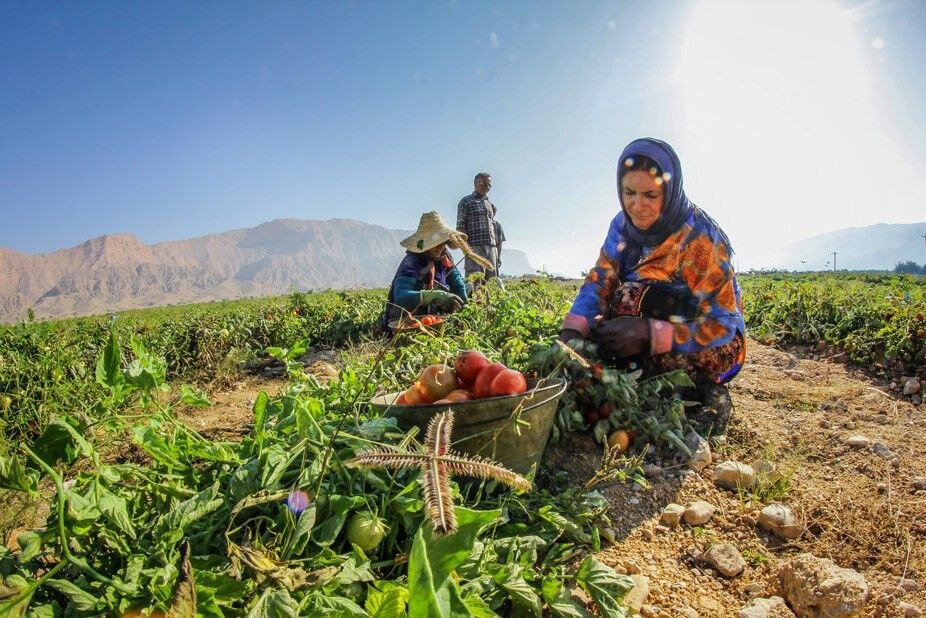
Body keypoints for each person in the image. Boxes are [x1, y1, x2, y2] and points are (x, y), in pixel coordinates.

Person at [558, 138, 746, 389]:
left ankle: (699, 390)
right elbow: (603, 277)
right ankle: (643, 375)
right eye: (629, 193)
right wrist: (573, 330)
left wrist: (650, 334)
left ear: (670, 192)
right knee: (600, 329)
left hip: (709, 341)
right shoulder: (622, 226)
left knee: (629, 297)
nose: (638, 206)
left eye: (650, 194)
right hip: (647, 322)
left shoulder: (699, 237)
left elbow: (722, 326)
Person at [379, 211, 492, 334]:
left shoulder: (444, 256)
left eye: (443, 244)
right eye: (436, 245)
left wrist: (463, 304)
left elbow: (456, 281)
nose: (441, 248)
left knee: (468, 286)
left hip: (432, 311)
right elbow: (401, 296)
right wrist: (434, 296)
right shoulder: (411, 262)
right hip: (407, 314)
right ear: (426, 245)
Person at [456, 172, 504, 283]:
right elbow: (460, 227)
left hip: (491, 248)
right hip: (474, 247)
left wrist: (497, 252)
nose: (487, 187)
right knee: (475, 283)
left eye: (489, 185)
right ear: (475, 183)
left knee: (492, 282)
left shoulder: (490, 204)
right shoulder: (466, 202)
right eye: (484, 184)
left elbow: (494, 228)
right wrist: (467, 250)